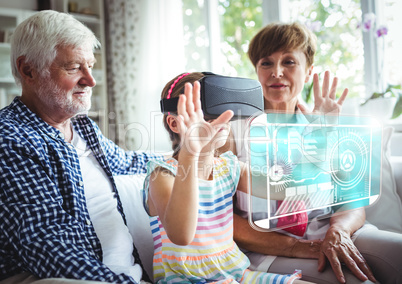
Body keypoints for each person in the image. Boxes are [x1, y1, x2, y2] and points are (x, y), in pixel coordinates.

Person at [228, 21, 402, 284]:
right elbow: (222, 217)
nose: (277, 71)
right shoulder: (234, 131)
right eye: (266, 63)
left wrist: (339, 230)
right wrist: (299, 248)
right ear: (257, 70)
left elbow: (351, 201)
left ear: (308, 72)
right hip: (267, 250)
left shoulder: (324, 123)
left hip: (331, 234)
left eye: (289, 62)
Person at [0, 10, 163, 283]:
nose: (91, 80)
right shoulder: (10, 138)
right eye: (74, 67)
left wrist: (190, 156)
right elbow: (48, 247)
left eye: (91, 65)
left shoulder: (83, 128)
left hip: (126, 273)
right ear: (28, 70)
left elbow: (129, 161)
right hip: (56, 277)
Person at [141, 72, 316, 284]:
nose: (220, 119)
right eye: (205, 115)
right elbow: (181, 235)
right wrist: (190, 153)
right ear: (175, 124)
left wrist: (319, 135)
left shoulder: (230, 167)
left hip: (238, 273)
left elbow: (288, 187)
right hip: (187, 279)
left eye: (222, 109)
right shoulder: (162, 174)